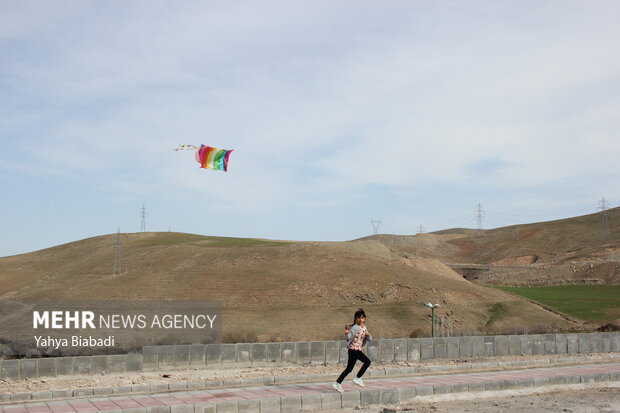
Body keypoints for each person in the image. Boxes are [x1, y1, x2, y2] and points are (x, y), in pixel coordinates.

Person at [332, 308, 372, 393]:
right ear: (355, 319)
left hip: (356, 350)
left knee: (349, 369)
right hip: (353, 349)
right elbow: (348, 337)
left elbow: (369, 339)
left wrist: (368, 335)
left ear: (365, 319)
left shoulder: (364, 328)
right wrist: (346, 333)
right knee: (367, 362)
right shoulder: (355, 327)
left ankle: (337, 383)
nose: (360, 320)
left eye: (362, 318)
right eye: (358, 318)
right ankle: (357, 378)